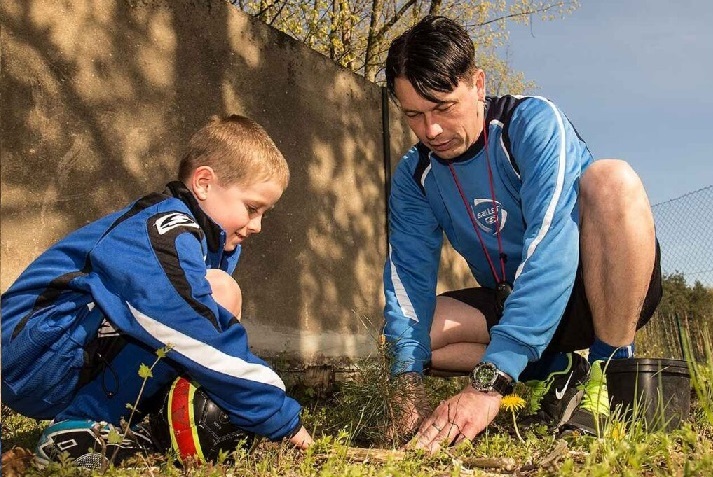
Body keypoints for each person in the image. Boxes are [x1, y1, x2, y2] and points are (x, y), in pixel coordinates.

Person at [382, 15, 662, 453]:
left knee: (612, 180)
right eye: (414, 114)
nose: (430, 130)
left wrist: (488, 382)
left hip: (595, 288)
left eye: (443, 107)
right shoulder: (414, 175)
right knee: (417, 339)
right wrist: (404, 382)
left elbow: (551, 247)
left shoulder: (531, 124)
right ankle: (555, 369)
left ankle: (606, 373)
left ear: (477, 84)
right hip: (512, 299)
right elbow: (407, 276)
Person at [1, 114, 313, 468]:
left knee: (216, 297)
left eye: (265, 214)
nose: (257, 225)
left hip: (64, 352)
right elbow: (189, 328)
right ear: (204, 183)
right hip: (31, 353)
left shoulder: (209, 244)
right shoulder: (164, 230)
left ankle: (103, 432)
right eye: (252, 208)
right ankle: (88, 423)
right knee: (211, 300)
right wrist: (280, 416)